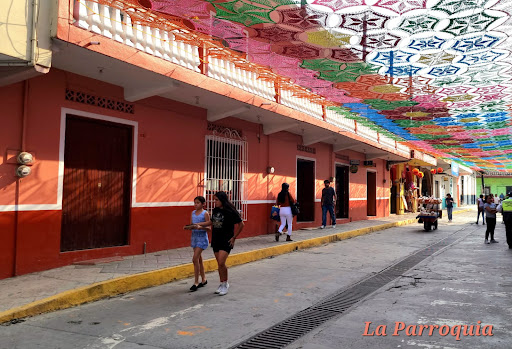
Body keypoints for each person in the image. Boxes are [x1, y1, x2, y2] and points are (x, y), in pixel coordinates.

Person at [195, 191, 244, 296]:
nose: (215, 202)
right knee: (219, 264)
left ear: (222, 200)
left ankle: (225, 284)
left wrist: (234, 237)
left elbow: (241, 224)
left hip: (227, 240)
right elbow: (211, 222)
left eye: (216, 200)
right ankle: (221, 283)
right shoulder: (216, 210)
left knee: (221, 262)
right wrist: (199, 224)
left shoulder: (230, 211)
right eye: (214, 200)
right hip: (216, 239)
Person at [186, 196, 210, 292]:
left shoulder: (205, 213)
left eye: (198, 203)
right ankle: (204, 279)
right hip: (194, 238)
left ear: (203, 204)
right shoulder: (192, 213)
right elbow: (191, 225)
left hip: (202, 238)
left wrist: (200, 227)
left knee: (195, 259)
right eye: (194, 202)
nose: (195, 204)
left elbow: (209, 228)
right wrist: (189, 227)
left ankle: (196, 282)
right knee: (199, 259)